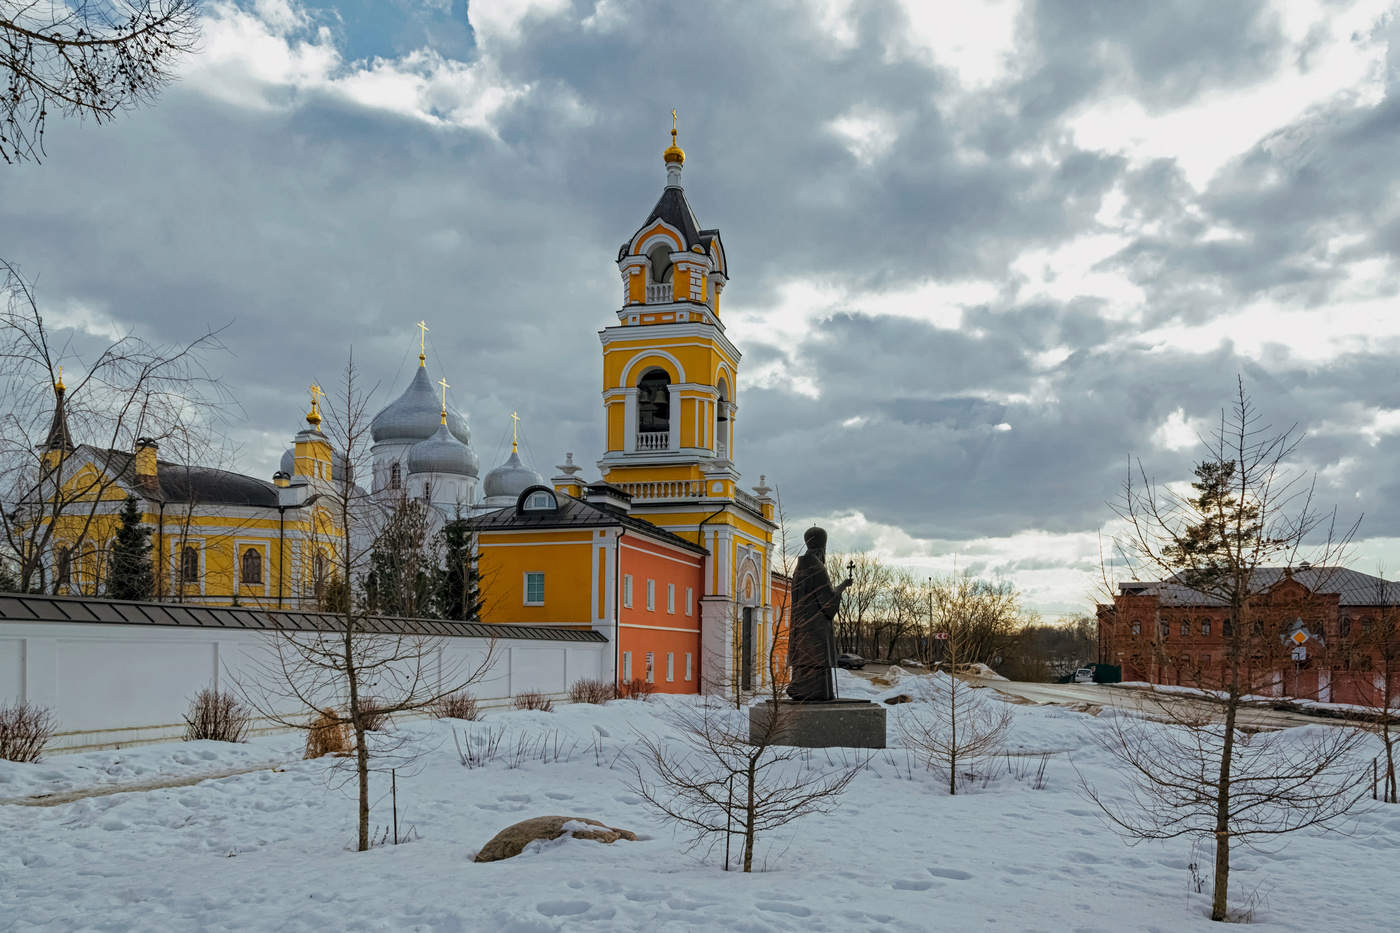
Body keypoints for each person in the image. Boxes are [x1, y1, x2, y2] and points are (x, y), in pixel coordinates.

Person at [786, 526, 852, 701]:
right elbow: (828, 602)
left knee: (806, 661)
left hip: (802, 628)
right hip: (815, 629)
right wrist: (843, 585)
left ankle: (803, 688)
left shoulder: (800, 568)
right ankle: (803, 689)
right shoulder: (816, 567)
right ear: (822, 548)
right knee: (814, 662)